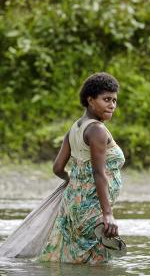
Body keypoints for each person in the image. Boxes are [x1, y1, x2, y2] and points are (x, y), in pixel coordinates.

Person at [37, 72, 125, 264]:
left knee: (78, 257)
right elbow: (98, 172)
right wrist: (107, 214)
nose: (112, 105)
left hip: (73, 203)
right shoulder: (97, 130)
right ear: (90, 100)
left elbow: (58, 168)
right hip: (92, 208)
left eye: (114, 100)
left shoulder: (75, 128)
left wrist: (74, 182)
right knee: (98, 261)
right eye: (106, 99)